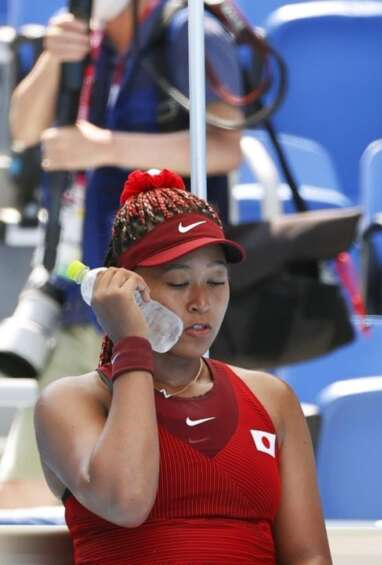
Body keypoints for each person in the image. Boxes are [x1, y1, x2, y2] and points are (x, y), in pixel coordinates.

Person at [0, 0, 242, 507]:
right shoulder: (88, 37)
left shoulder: (191, 30)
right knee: (29, 488)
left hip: (164, 305)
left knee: (162, 488)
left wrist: (106, 147)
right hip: (81, 288)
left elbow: (223, 148)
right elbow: (23, 131)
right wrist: (52, 58)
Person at [33, 169, 331, 564]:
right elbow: (127, 500)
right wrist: (132, 342)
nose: (200, 302)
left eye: (216, 281)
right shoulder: (68, 402)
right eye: (177, 282)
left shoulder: (271, 398)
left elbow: (309, 558)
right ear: (126, 289)